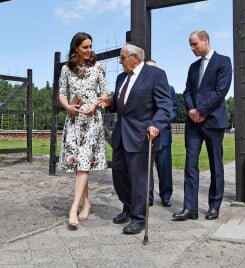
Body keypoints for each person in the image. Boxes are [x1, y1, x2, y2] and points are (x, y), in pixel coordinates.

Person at [110, 43, 172, 235]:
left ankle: (139, 218)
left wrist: (156, 124)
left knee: (139, 179)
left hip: (142, 135)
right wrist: (109, 103)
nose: (120, 62)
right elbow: (122, 104)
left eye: (122, 58)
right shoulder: (121, 77)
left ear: (135, 58)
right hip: (121, 134)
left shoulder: (156, 75)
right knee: (119, 176)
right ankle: (128, 207)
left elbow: (164, 105)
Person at [173, 30, 232, 221]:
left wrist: (201, 111)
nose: (192, 48)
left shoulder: (223, 62)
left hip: (213, 121)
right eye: (190, 45)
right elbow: (188, 91)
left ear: (205, 41)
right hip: (193, 124)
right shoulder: (193, 67)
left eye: (194, 44)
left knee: (216, 165)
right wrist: (191, 110)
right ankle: (190, 208)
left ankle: (214, 206)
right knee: (190, 165)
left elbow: (220, 91)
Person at [58, 32, 110, 229]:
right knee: (80, 163)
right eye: (85, 47)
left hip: (92, 120)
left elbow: (105, 93)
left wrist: (96, 104)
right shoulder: (66, 69)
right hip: (73, 120)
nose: (89, 50)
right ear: (76, 49)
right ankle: (87, 203)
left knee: (84, 163)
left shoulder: (98, 67)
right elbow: (62, 94)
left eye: (90, 46)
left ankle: (74, 208)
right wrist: (68, 107)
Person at [146, 60, 179, 207]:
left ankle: (166, 196)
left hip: (163, 134)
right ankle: (148, 197)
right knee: (146, 168)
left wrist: (160, 123)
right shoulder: (142, 89)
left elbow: (173, 110)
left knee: (165, 168)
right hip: (146, 134)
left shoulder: (169, 89)